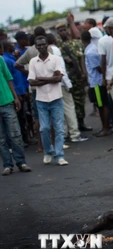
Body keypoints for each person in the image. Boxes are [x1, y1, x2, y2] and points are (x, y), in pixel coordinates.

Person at [28, 36, 68, 166]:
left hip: (56, 98)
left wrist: (41, 79)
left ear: (47, 45)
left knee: (59, 129)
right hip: (41, 100)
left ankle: (59, 155)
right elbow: (32, 81)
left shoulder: (55, 59)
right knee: (44, 128)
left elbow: (59, 78)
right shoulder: (33, 62)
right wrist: (50, 78)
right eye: (38, 45)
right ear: (36, 46)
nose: (41, 47)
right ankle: (48, 151)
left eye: (43, 44)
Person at [46, 33, 88, 144]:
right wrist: (68, 84)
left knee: (60, 110)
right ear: (54, 39)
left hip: (52, 85)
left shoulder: (45, 51)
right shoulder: (55, 50)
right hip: (62, 83)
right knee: (69, 108)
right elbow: (61, 68)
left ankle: (64, 134)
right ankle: (75, 134)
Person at [0, 49, 31, 176]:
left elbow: (8, 78)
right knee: (1, 139)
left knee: (15, 134)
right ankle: (7, 165)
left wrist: (15, 97)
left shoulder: (0, 60)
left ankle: (21, 162)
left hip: (7, 102)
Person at [56, 23, 91, 132]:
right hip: (67, 78)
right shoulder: (58, 46)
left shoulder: (76, 43)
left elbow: (81, 58)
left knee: (80, 101)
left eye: (64, 29)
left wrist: (84, 73)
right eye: (60, 31)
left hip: (78, 76)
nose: (63, 32)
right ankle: (73, 126)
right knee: (70, 104)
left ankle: (81, 123)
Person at [81, 31, 110, 138]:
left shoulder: (90, 52)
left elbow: (98, 67)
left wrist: (103, 78)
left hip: (97, 82)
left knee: (102, 105)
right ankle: (105, 127)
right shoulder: (92, 48)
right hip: (96, 81)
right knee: (101, 105)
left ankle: (105, 128)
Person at [2, 40, 29, 147]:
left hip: (20, 91)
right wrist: (16, 95)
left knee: (23, 117)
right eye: (11, 45)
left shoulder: (11, 58)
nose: (14, 46)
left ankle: (24, 139)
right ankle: (18, 142)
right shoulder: (6, 60)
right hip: (15, 93)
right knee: (17, 119)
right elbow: (9, 79)